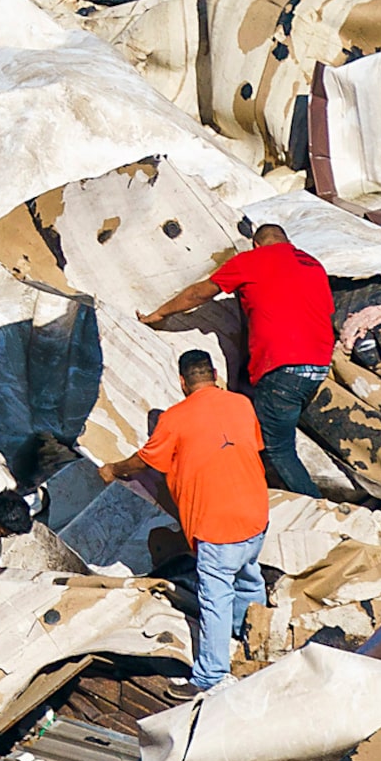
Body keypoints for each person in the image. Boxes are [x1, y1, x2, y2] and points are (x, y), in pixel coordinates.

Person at [94, 350, 269, 694]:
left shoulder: (174, 419)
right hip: (256, 513)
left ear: (181, 381)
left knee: (214, 600)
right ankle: (254, 633)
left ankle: (209, 677)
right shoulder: (241, 405)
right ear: (215, 374)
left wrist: (112, 469)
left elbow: (145, 461)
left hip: (216, 527)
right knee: (248, 577)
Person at [141, 221, 336, 496]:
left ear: (255, 244)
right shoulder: (312, 264)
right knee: (277, 433)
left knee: (277, 449)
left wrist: (159, 314)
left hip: (282, 368)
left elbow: (200, 293)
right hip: (318, 365)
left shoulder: (251, 261)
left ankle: (314, 505)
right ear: (287, 241)